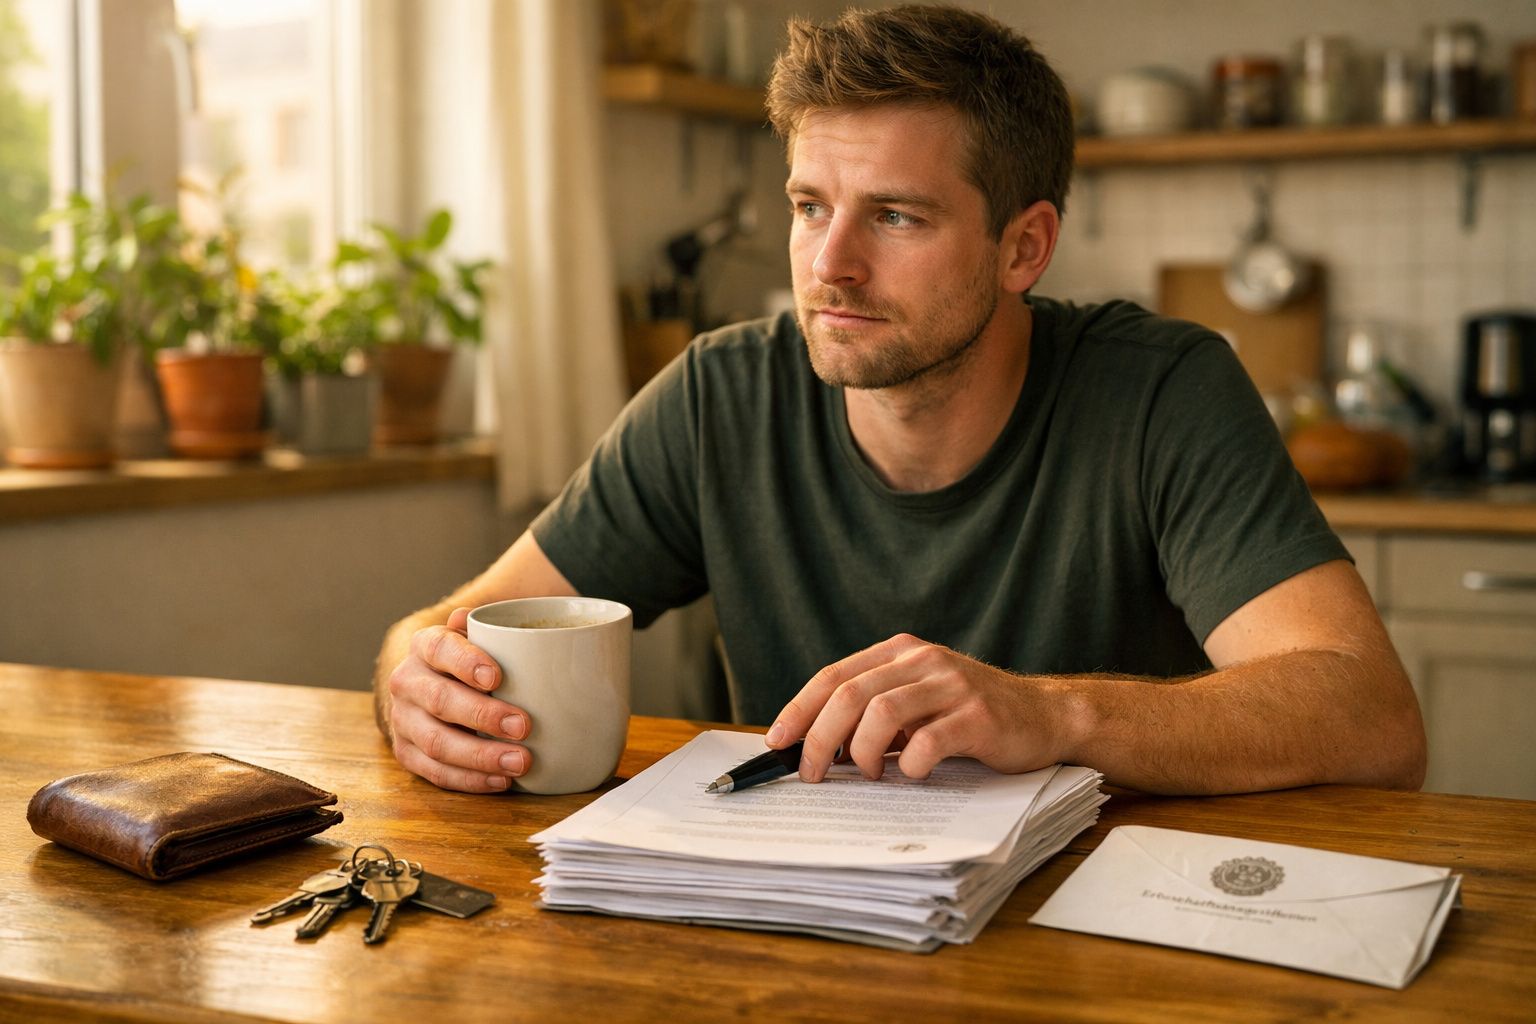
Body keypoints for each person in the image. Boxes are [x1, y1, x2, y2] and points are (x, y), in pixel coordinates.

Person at [373, 4, 1425, 797]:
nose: (829, 265)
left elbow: (1373, 718)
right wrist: (414, 680)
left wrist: (1054, 712)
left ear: (1024, 247)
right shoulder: (718, 395)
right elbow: (451, 625)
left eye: (896, 217)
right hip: (804, 937)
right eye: (809, 206)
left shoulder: (1161, 389)